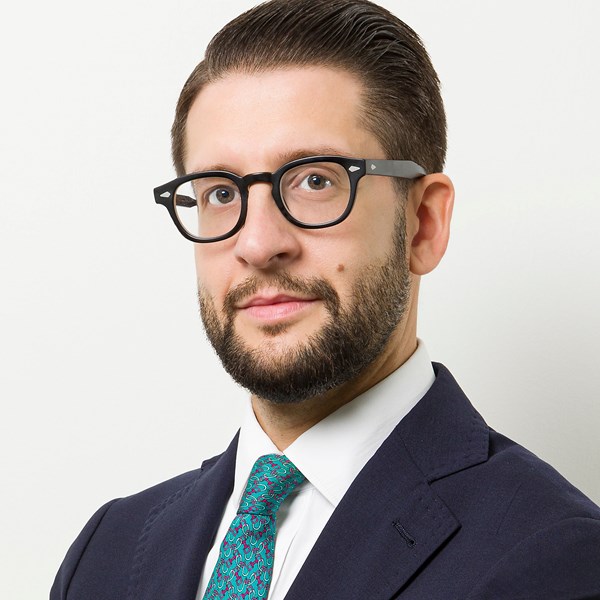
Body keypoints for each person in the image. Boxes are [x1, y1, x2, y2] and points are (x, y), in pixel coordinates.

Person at [51, 1, 600, 598]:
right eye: (220, 193)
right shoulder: (105, 553)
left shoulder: (555, 557)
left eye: (316, 180)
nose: (258, 244)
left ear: (423, 224)